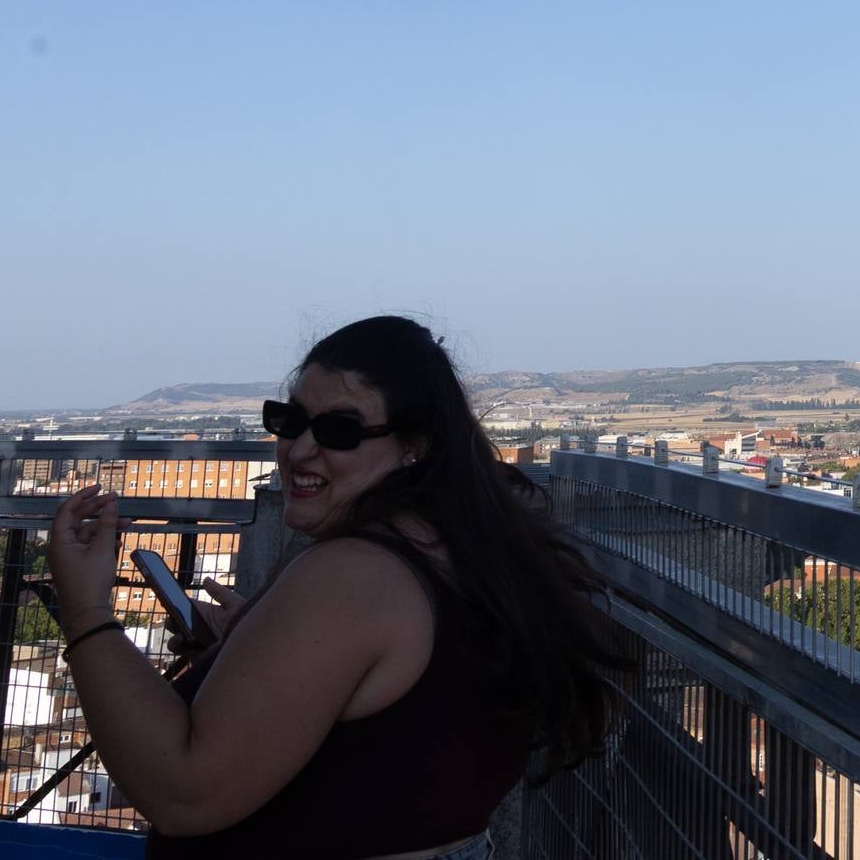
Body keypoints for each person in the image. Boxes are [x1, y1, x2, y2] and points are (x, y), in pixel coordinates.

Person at [45, 316, 636, 856]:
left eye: (340, 431)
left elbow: (183, 795)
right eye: (290, 420)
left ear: (414, 446)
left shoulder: (354, 575)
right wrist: (258, 652)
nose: (300, 448)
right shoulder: (464, 552)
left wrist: (85, 610)